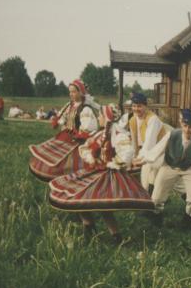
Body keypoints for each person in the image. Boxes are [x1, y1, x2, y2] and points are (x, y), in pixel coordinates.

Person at [48, 104, 154, 243]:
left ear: (107, 118)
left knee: (104, 207)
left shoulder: (118, 134)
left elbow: (127, 153)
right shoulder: (99, 133)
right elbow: (85, 147)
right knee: (79, 197)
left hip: (108, 173)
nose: (98, 118)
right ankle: (89, 226)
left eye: (100, 115)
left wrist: (113, 163)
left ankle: (116, 237)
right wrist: (91, 157)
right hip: (96, 170)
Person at [149, 109, 191, 228]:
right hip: (169, 166)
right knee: (156, 197)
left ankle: (186, 220)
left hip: (188, 168)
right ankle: (157, 216)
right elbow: (157, 150)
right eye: (185, 126)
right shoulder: (173, 134)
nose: (187, 130)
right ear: (181, 124)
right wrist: (143, 159)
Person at [29, 79, 99, 181]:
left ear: (81, 92)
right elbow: (63, 116)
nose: (71, 94)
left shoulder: (85, 108)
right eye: (70, 91)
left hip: (77, 138)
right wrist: (57, 121)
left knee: (69, 159)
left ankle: (68, 177)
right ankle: (53, 173)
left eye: (74, 92)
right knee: (54, 153)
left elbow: (88, 127)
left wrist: (81, 134)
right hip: (66, 134)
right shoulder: (69, 105)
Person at [128, 92, 169, 195]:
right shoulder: (132, 120)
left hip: (161, 151)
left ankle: (149, 200)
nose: (136, 109)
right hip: (148, 152)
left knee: (151, 178)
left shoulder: (152, 119)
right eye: (134, 106)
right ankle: (151, 201)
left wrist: (140, 158)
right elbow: (134, 141)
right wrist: (134, 155)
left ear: (145, 106)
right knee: (150, 178)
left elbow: (149, 143)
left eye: (139, 106)